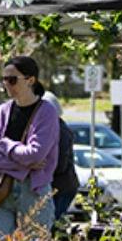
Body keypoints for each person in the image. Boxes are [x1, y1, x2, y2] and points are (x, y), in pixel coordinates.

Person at [0, 55, 60, 239]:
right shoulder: (3, 110)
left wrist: (6, 144)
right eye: (4, 79)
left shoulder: (46, 112)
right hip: (1, 190)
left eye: (12, 79)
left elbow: (35, 154)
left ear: (30, 80)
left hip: (33, 191)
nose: (6, 84)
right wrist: (25, 164)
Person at [43, 92, 80, 224]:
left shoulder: (61, 131)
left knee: (51, 223)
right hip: (57, 185)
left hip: (62, 187)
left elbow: (60, 164)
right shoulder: (51, 127)